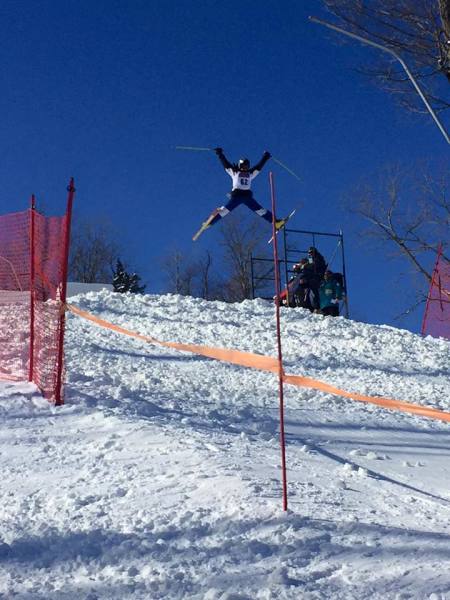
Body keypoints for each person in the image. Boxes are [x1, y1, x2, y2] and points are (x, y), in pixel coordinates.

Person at [206, 148, 288, 230]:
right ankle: (210, 222)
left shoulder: (250, 173)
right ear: (239, 166)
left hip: (246, 197)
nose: (244, 168)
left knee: (260, 210)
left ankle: (276, 223)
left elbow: (258, 167)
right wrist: (220, 154)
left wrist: (265, 157)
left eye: (246, 166)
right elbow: (226, 164)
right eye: (243, 166)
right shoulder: (235, 172)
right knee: (225, 210)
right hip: (237, 196)